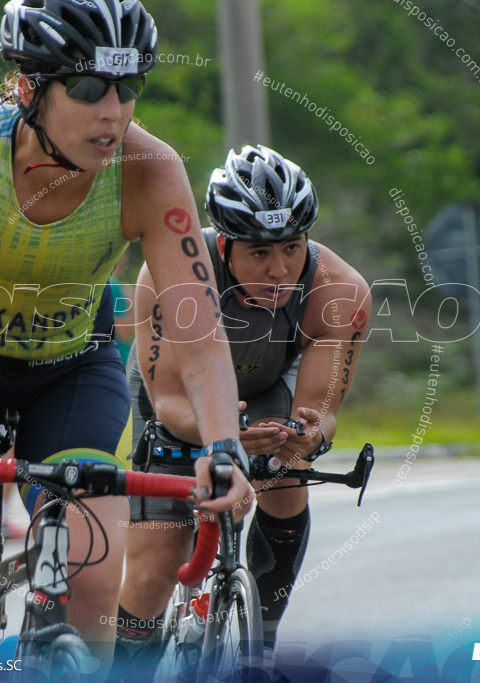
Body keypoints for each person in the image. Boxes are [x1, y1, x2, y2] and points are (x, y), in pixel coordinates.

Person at [0, 0, 252, 668]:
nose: (113, 110)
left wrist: (224, 446)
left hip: (73, 369)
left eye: (127, 88)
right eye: (86, 88)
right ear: (28, 89)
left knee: (94, 573)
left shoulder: (151, 170)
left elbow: (201, 333)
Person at [115, 145, 371, 666]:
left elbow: (319, 412)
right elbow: (166, 399)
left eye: (292, 248)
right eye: (260, 253)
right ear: (225, 245)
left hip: (267, 390)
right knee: (156, 564)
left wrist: (310, 434)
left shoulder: (339, 290)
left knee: (288, 472)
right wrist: (221, 437)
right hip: (178, 398)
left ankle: (261, 646)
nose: (280, 269)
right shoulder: (173, 274)